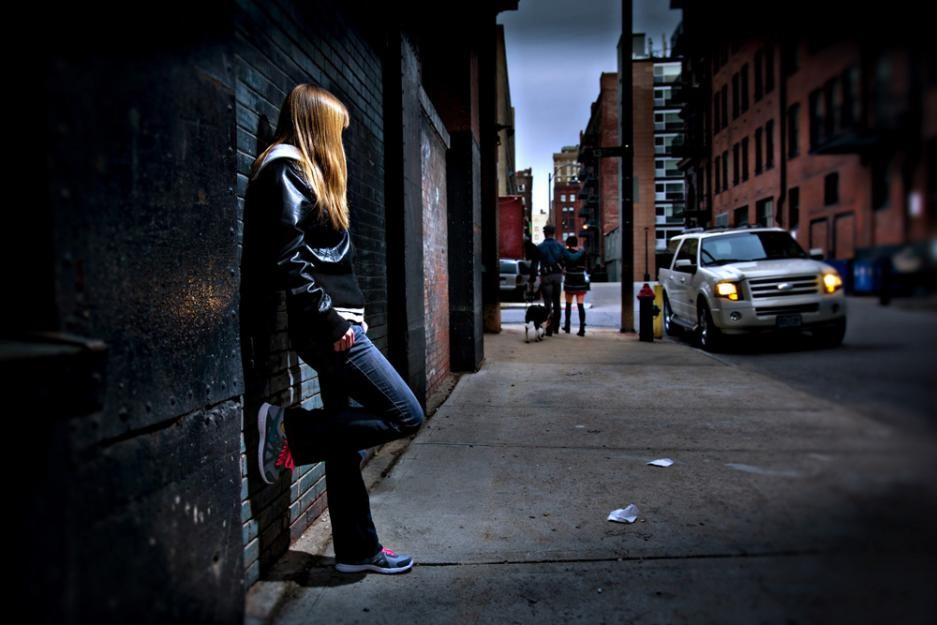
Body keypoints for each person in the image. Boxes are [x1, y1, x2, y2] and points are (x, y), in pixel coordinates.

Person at [245, 84, 423, 575]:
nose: (341, 140)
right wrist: (327, 320)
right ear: (317, 126)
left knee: (344, 444)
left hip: (338, 323)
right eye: (337, 130)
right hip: (333, 329)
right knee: (406, 414)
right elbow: (288, 260)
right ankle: (290, 431)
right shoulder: (286, 167)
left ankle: (356, 550)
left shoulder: (303, 174)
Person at [529, 224, 584, 336]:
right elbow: (572, 258)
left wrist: (532, 278)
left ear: (544, 233)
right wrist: (582, 251)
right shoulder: (559, 246)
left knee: (547, 304)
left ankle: (548, 329)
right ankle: (556, 328)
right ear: (553, 233)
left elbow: (534, 266)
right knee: (557, 303)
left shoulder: (539, 247)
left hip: (545, 277)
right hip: (557, 276)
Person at [562, 235, 589, 336]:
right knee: (580, 305)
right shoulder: (582, 253)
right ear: (576, 243)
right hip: (580, 280)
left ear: (568, 244)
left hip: (569, 279)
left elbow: (563, 265)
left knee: (568, 305)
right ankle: (582, 328)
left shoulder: (566, 253)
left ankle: (567, 326)